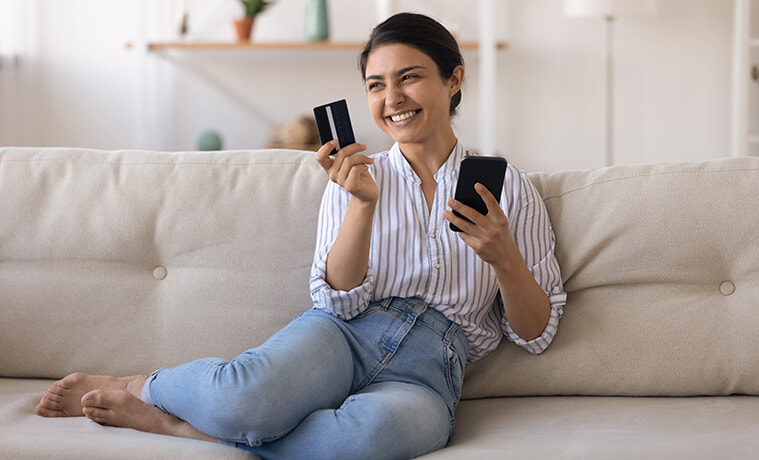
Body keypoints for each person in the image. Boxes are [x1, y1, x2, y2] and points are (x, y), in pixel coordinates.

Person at [35, 12, 566, 460]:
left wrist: (504, 259)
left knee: (370, 439)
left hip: (432, 367)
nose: (392, 98)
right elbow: (334, 296)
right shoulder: (356, 176)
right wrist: (361, 205)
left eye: (409, 77)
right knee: (244, 400)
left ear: (453, 80)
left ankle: (179, 427)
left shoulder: (508, 187)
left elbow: (537, 333)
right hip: (344, 335)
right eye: (376, 85)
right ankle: (138, 384)